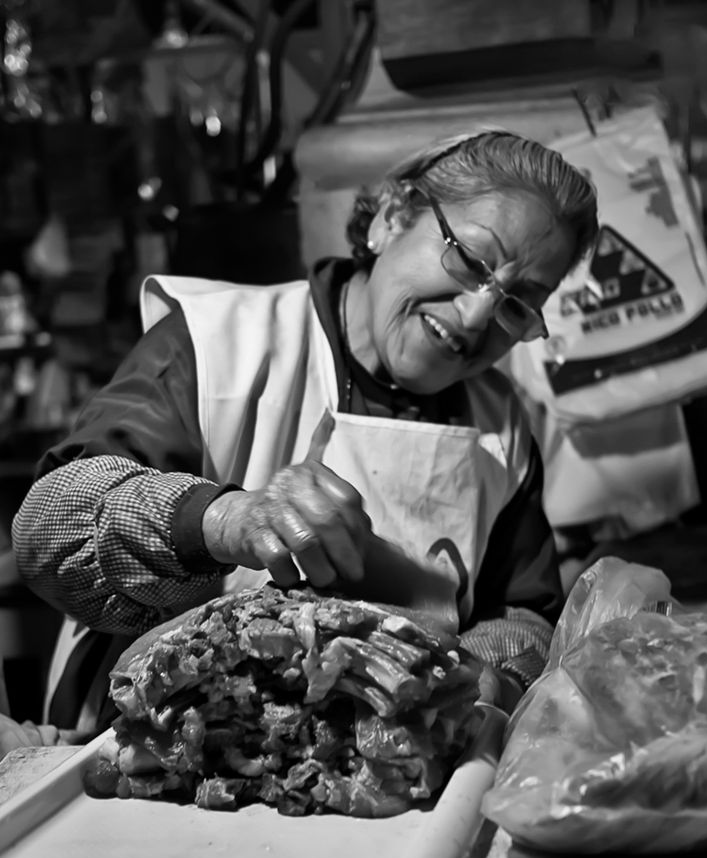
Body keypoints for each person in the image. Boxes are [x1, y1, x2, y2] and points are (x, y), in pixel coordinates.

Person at [12, 129, 598, 736]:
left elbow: (524, 614)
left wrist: (483, 673)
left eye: (518, 304)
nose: (477, 316)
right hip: (158, 749)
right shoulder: (222, 345)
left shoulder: (502, 426)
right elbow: (49, 526)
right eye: (471, 261)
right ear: (392, 219)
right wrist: (227, 520)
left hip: (384, 772)